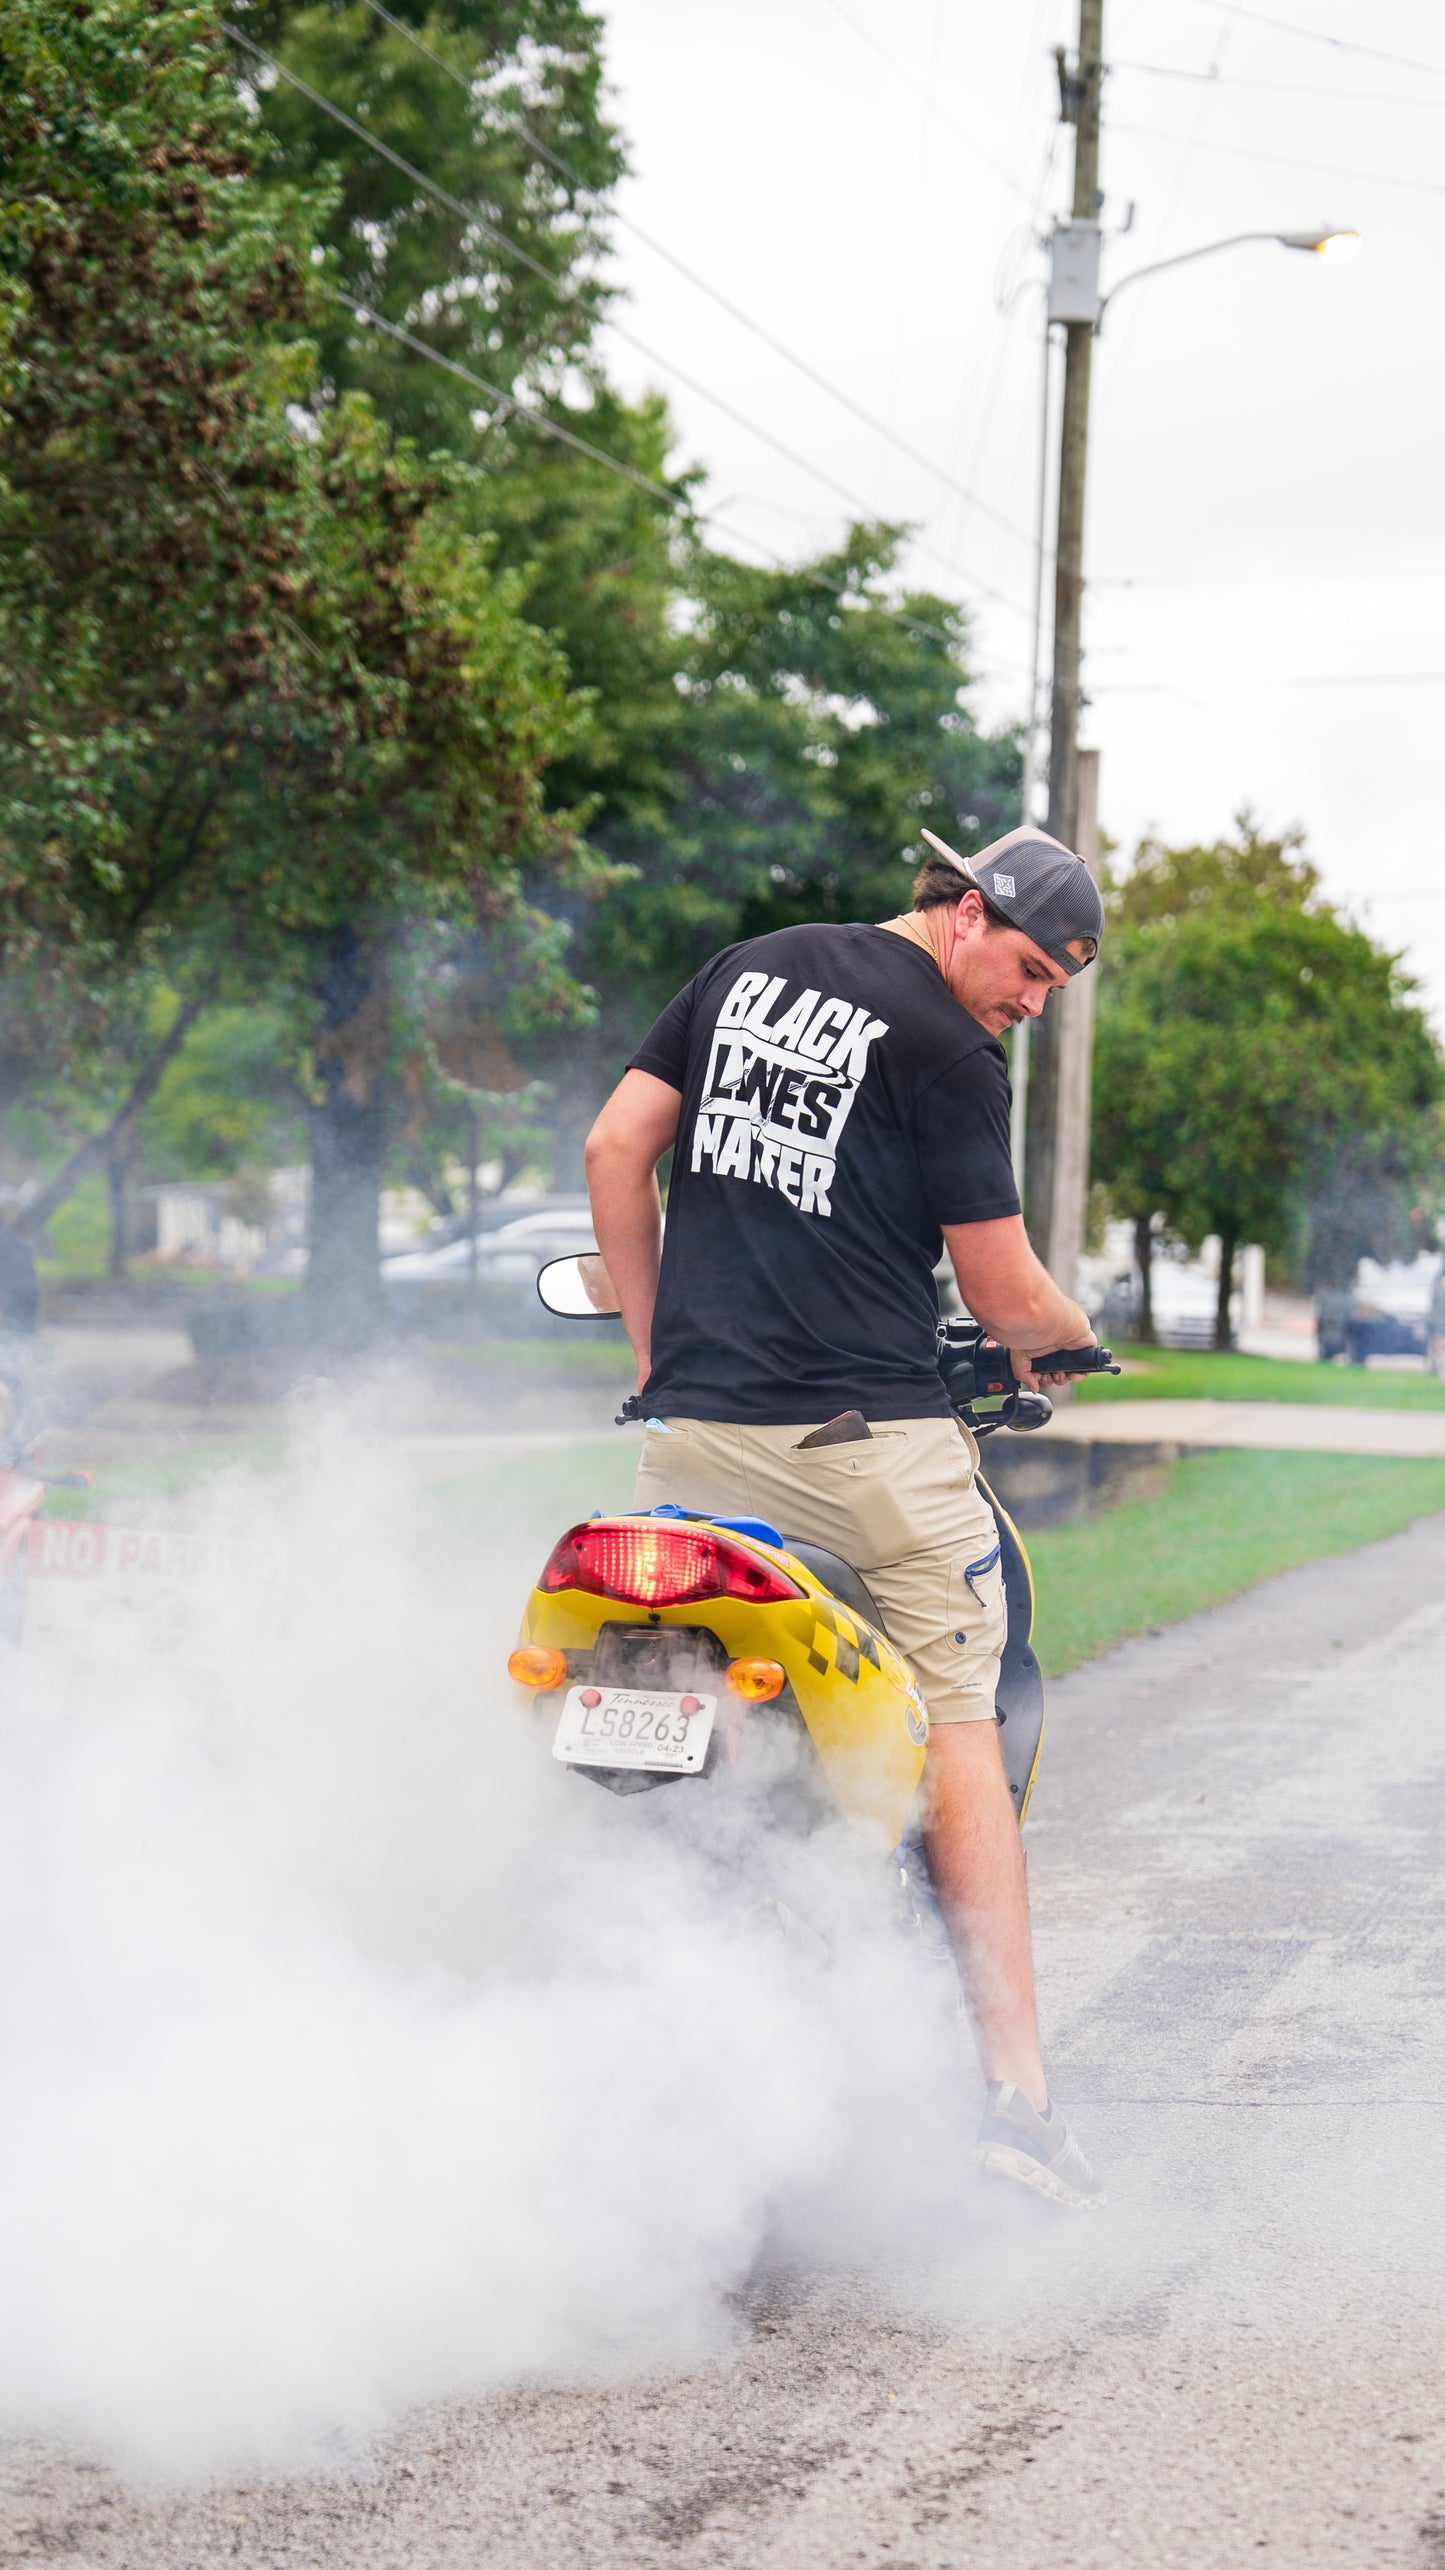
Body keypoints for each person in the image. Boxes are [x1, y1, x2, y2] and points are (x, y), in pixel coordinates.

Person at [584, 823, 1108, 2209]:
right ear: (966, 909)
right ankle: (1016, 2097)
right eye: (1033, 966)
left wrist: (654, 1359)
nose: (1033, 999)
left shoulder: (739, 969)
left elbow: (614, 1146)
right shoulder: (943, 1044)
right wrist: (1069, 1337)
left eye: (1056, 985)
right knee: (962, 1713)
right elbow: (999, 1296)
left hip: (689, 1450)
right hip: (862, 1446)